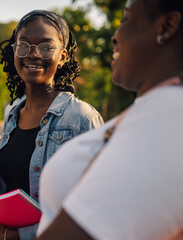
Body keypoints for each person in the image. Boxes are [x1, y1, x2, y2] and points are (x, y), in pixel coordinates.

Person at [36, 0, 183, 239]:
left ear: (167, 26)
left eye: (126, 20)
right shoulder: (153, 109)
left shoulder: (169, 117)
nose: (115, 36)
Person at [0, 10, 103, 240]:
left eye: (45, 47)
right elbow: (15, 191)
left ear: (62, 57)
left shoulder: (81, 118)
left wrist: (11, 236)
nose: (33, 54)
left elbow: (90, 211)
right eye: (24, 46)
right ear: (14, 52)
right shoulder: (14, 114)